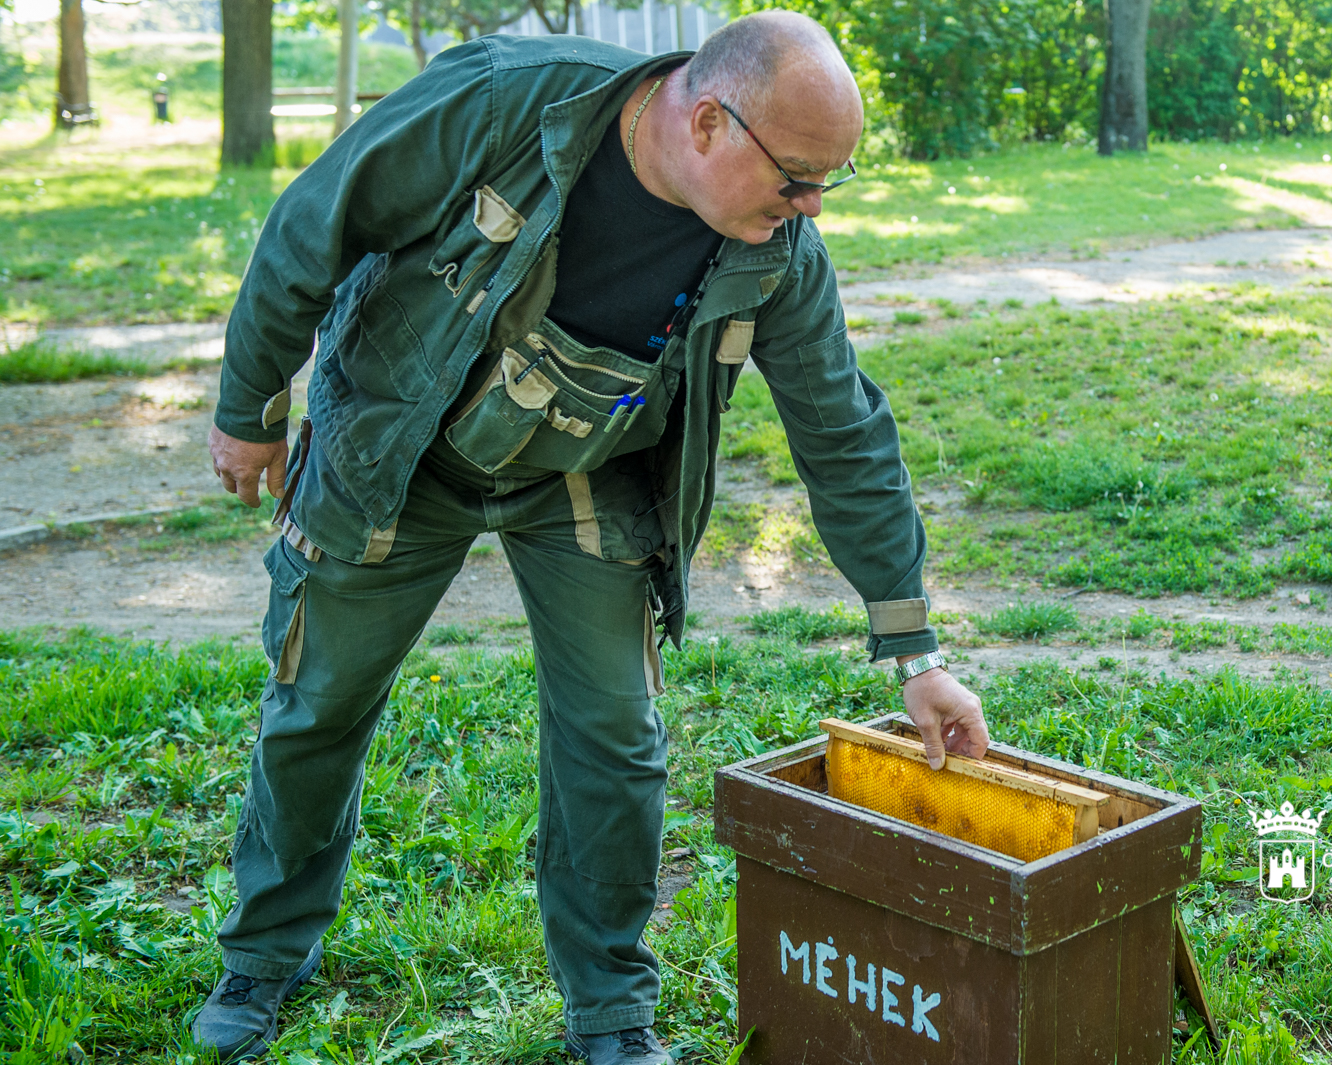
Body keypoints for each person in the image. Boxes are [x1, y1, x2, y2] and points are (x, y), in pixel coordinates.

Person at [198, 11, 989, 1063]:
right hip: (397, 445)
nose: (809, 208)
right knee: (319, 700)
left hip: (585, 472)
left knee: (616, 737)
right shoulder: (498, 102)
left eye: (825, 183)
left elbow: (841, 430)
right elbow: (315, 222)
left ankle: (611, 1008)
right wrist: (250, 406)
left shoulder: (778, 254)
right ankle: (262, 955)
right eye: (797, 178)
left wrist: (914, 650)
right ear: (708, 123)